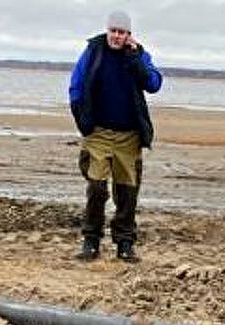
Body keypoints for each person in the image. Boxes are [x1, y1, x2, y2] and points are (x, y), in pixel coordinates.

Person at [67, 11, 163, 263]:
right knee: (96, 188)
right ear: (107, 30)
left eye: (122, 32)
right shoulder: (93, 50)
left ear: (128, 35)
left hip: (129, 135)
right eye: (114, 31)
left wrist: (135, 59)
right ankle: (91, 241)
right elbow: (76, 85)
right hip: (98, 132)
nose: (117, 36)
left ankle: (125, 243)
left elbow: (153, 83)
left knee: (127, 192)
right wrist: (82, 120)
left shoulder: (139, 54)